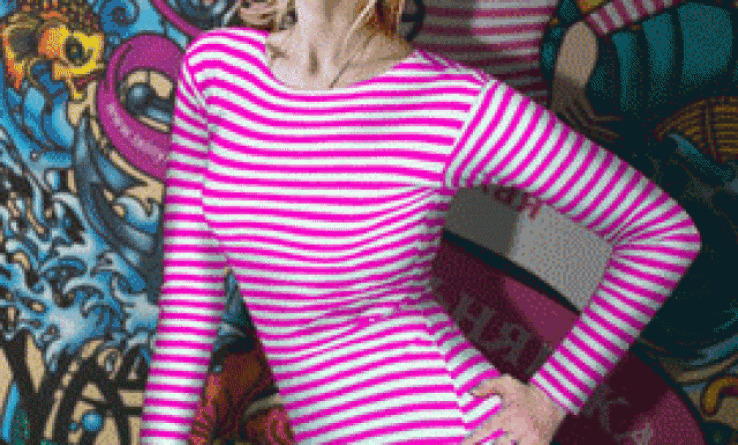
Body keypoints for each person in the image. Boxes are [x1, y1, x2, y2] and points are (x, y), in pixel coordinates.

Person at [138, 0, 702, 442]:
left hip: (437, 424)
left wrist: (552, 397)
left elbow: (663, 233)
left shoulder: (456, 105)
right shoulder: (217, 71)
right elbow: (192, 294)